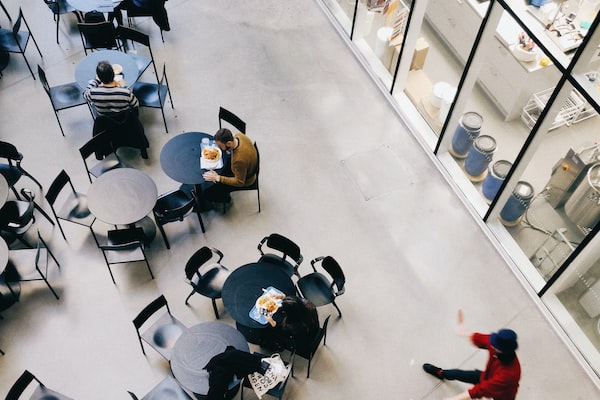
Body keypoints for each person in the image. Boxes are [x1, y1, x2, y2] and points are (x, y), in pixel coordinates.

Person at [422, 310, 521, 400]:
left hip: (503, 395)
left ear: (503, 350)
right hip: (487, 376)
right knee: (459, 374)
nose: (491, 344)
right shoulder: (496, 343)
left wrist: (454, 399)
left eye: (495, 345)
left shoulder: (510, 374)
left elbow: (480, 390)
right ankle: (440, 373)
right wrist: (463, 332)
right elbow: (481, 339)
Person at [84, 61, 149, 159]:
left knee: (94, 107)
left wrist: (95, 81)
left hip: (105, 126)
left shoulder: (93, 93)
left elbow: (85, 95)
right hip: (125, 123)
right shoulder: (125, 93)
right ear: (113, 75)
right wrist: (124, 87)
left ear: (99, 78)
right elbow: (136, 104)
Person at [202, 128, 258, 203]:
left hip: (246, 180)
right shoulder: (239, 136)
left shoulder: (238, 160)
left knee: (208, 193)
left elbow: (239, 182)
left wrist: (218, 178)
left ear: (228, 143)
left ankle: (226, 199)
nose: (218, 148)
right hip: (245, 167)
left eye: (220, 146)